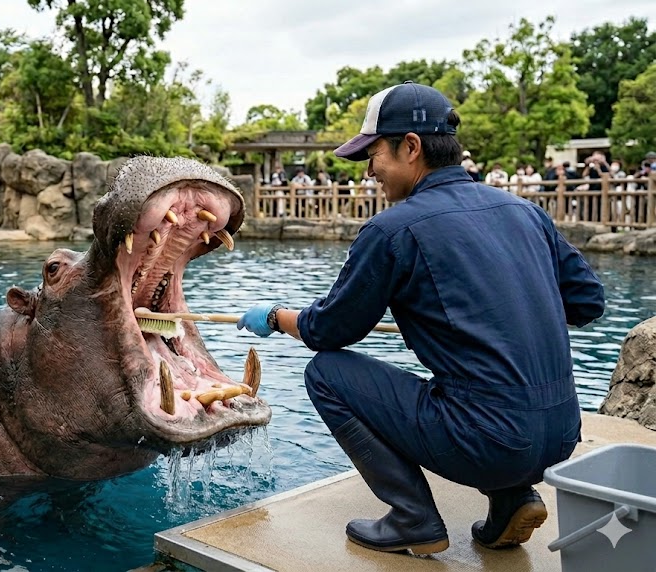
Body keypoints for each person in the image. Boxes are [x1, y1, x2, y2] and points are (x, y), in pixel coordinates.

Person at [235, 81, 605, 555]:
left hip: (489, 442)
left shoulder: (392, 230)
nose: (369, 171)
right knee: (481, 391)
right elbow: (588, 302)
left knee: (327, 373)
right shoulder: (526, 212)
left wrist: (274, 314)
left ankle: (413, 519)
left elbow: (328, 331)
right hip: (560, 434)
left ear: (410, 147)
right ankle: (512, 497)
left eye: (374, 154)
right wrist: (518, 306)